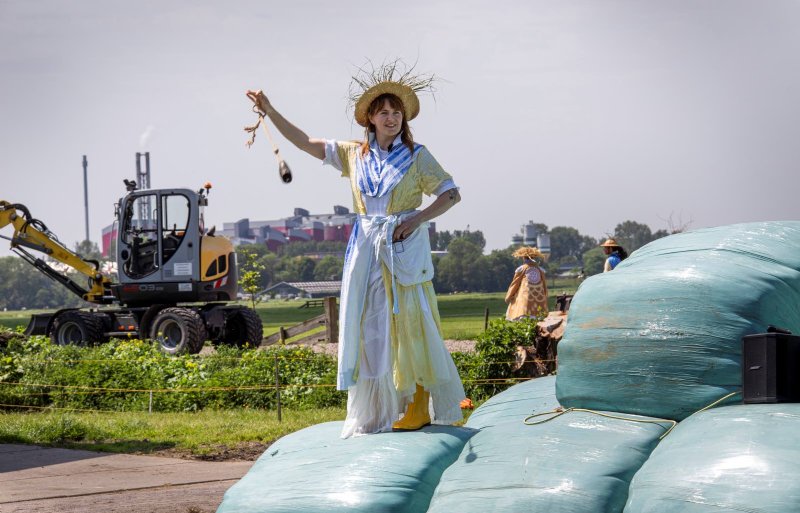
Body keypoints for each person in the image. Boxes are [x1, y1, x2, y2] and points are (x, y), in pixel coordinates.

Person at [246, 65, 465, 439]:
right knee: (370, 326)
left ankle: (417, 405)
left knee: (410, 321)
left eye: (397, 113)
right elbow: (304, 142)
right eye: (384, 112)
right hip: (365, 247)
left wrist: (415, 220)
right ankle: (378, 407)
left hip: (402, 246)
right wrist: (270, 110)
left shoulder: (416, 155)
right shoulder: (354, 155)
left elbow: (450, 193)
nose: (391, 118)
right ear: (371, 119)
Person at [504, 246, 549, 320]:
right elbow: (544, 286)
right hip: (540, 301)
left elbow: (515, 284)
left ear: (524, 257)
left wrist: (508, 296)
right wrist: (545, 296)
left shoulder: (521, 269)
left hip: (524, 302)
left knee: (524, 320)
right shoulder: (541, 270)